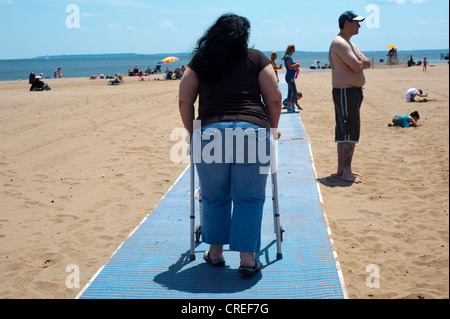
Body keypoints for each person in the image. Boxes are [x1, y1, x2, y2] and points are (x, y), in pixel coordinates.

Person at [179, 14, 282, 276]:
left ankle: (215, 253)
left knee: (214, 196)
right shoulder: (256, 57)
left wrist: (192, 133)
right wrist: (272, 127)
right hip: (253, 132)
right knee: (249, 197)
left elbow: (185, 100)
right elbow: (274, 98)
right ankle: (247, 258)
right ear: (243, 35)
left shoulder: (200, 61)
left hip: (210, 132)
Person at [328, 10, 371, 183]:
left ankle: (342, 169)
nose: (359, 25)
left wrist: (362, 61)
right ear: (347, 23)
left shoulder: (349, 43)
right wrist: (361, 62)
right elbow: (358, 66)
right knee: (349, 130)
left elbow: (366, 61)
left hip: (349, 92)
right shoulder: (341, 43)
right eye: (356, 22)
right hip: (345, 92)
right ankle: (346, 171)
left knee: (343, 130)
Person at [281, 45, 300, 113]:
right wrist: (297, 65)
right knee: (294, 91)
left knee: (290, 92)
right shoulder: (288, 57)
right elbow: (290, 67)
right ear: (291, 50)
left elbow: (290, 66)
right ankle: (292, 106)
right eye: (293, 50)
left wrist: (294, 64)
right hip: (290, 76)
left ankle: (289, 106)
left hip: (289, 76)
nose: (294, 52)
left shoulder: (287, 57)